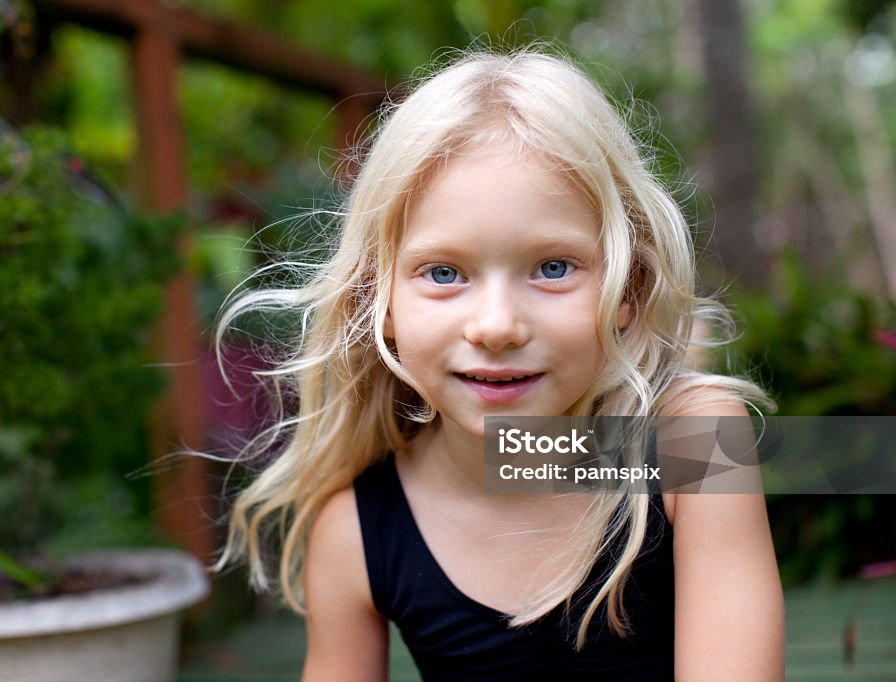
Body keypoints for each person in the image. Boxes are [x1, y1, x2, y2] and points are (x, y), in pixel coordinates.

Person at [214, 49, 786, 681]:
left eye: (552, 268)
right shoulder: (356, 531)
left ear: (629, 287)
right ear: (380, 301)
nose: (495, 326)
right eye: (443, 273)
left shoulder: (694, 444)